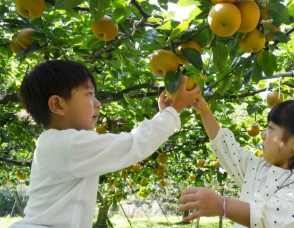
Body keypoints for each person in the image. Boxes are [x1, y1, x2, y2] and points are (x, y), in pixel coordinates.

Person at [11, 60, 201, 228]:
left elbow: (134, 141)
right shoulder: (70, 144)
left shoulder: (55, 141)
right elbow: (135, 143)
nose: (98, 103)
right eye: (89, 94)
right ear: (58, 105)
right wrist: (175, 109)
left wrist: (163, 115)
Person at [178, 97, 294, 228]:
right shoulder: (259, 169)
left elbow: (277, 220)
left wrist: (223, 205)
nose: (263, 135)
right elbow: (227, 150)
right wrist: (203, 109)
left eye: (271, 128)